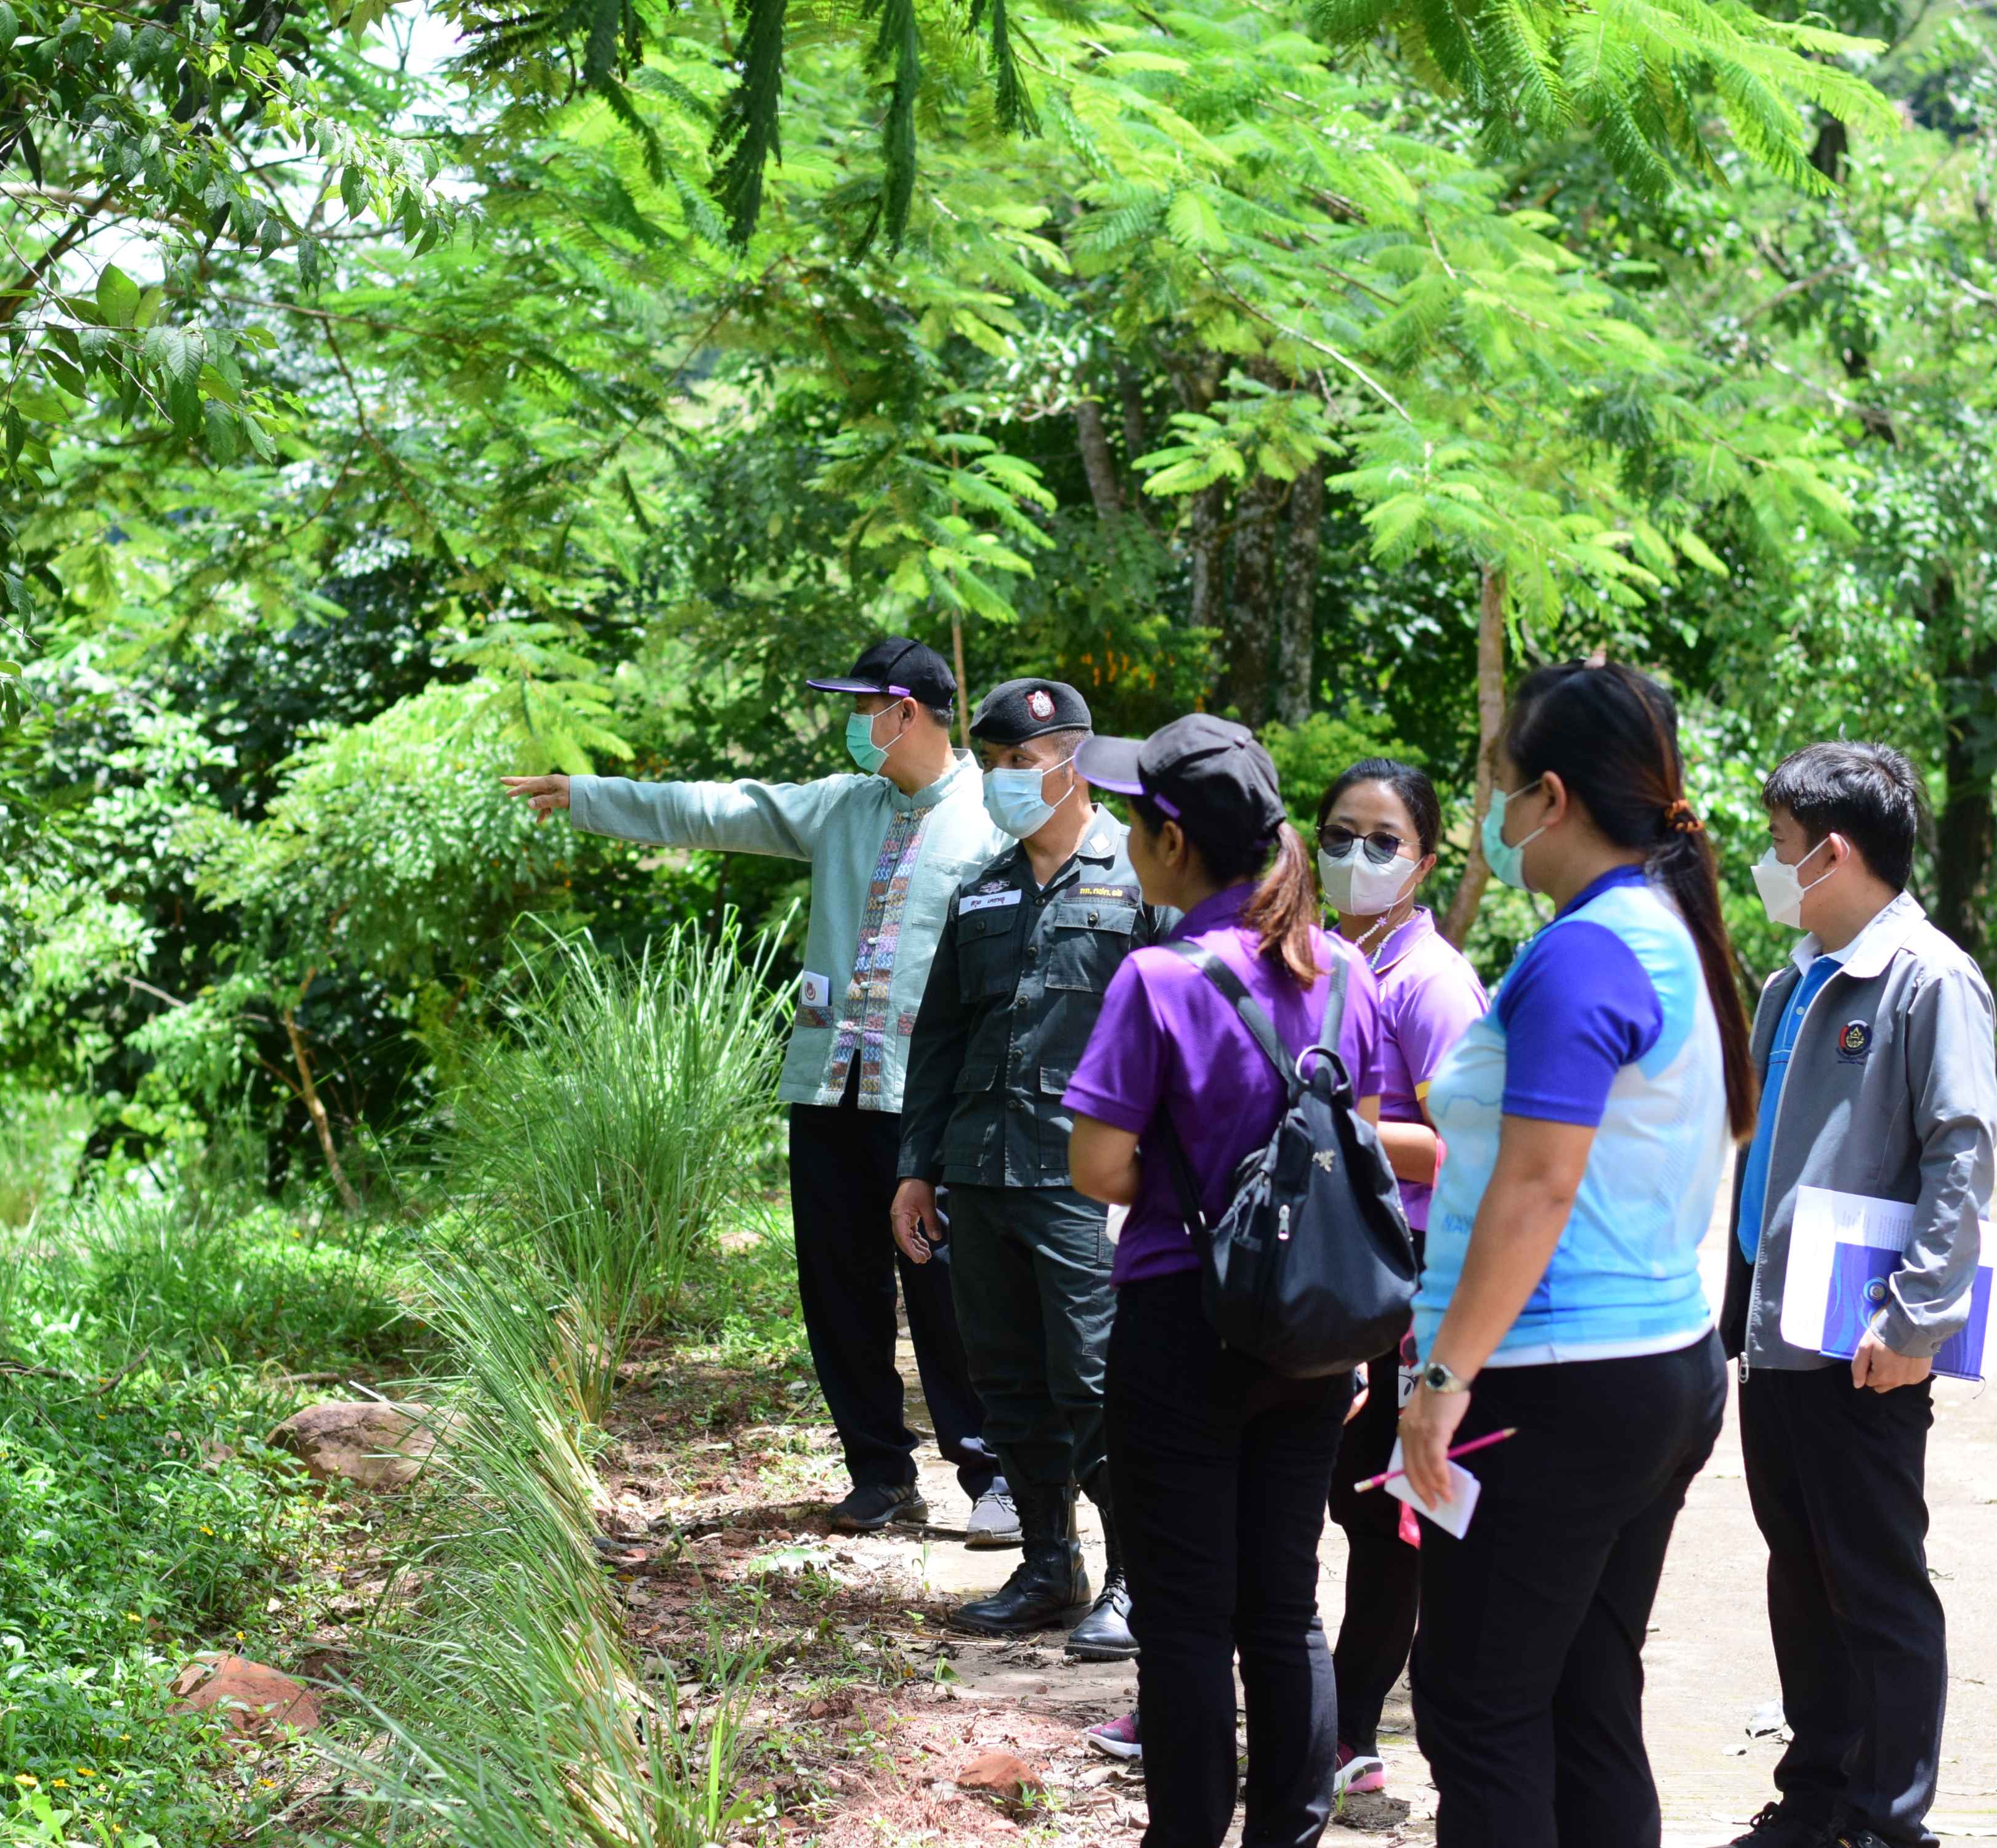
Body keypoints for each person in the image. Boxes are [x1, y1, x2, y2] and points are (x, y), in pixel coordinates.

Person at [501, 637, 1006, 1535]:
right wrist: (587, 798)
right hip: (827, 1088)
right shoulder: (843, 807)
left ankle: (993, 1474)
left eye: (863, 708)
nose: (854, 725)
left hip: (925, 1101)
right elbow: (719, 809)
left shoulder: (991, 817)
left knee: (948, 1290)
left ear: (908, 710)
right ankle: (881, 1472)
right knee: (839, 1288)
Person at [1396, 660, 1757, 1848]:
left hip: (1552, 1382)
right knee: (1584, 1699)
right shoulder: (1674, 937)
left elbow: (1538, 1186)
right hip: (1655, 1369)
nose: (1493, 817)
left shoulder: (1588, 949)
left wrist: (1441, 1384)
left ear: (1549, 797)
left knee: (1478, 1710)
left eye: (1499, 786)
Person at [1060, 714, 1385, 1848]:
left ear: (1169, 840)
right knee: (1285, 1610)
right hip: (1311, 1334)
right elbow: (1365, 1142)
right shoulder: (1345, 969)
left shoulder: (1159, 977)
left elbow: (1098, 1166)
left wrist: (1192, 1174)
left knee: (1188, 1625)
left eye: (1133, 819)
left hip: (1178, 1326)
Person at [1717, 743, 1996, 1848]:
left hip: (1864, 1345)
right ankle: (1819, 1794)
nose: (1770, 866)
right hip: (1775, 1334)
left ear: (1835, 853)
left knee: (1875, 1583)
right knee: (1801, 1573)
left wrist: (1917, 1318)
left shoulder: (1929, 978)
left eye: (1782, 849)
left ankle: (1887, 1818)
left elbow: (1959, 1154)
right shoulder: (1797, 978)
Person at [894, 678, 1170, 1660]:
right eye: (999, 764)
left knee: (1095, 1381)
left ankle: (1141, 1578)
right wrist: (917, 1166)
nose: (1007, 781)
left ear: (1073, 762)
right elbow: (940, 1038)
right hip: (979, 1171)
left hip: (1086, 1186)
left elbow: (1182, 1032)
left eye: (1021, 764)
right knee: (1007, 1379)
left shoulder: (1140, 882)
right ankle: (1051, 1565)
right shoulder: (984, 889)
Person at [1311, 760, 1489, 1801]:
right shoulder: (1331, 959)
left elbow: (1473, 1145)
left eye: (1384, 842)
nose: (1357, 857)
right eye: (1340, 834)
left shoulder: (1431, 982)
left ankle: (1355, 1731)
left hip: (1412, 1276)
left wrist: (1354, 1129)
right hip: (1342, 1266)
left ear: (1423, 862)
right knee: (1341, 1495)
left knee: (1386, 1512)